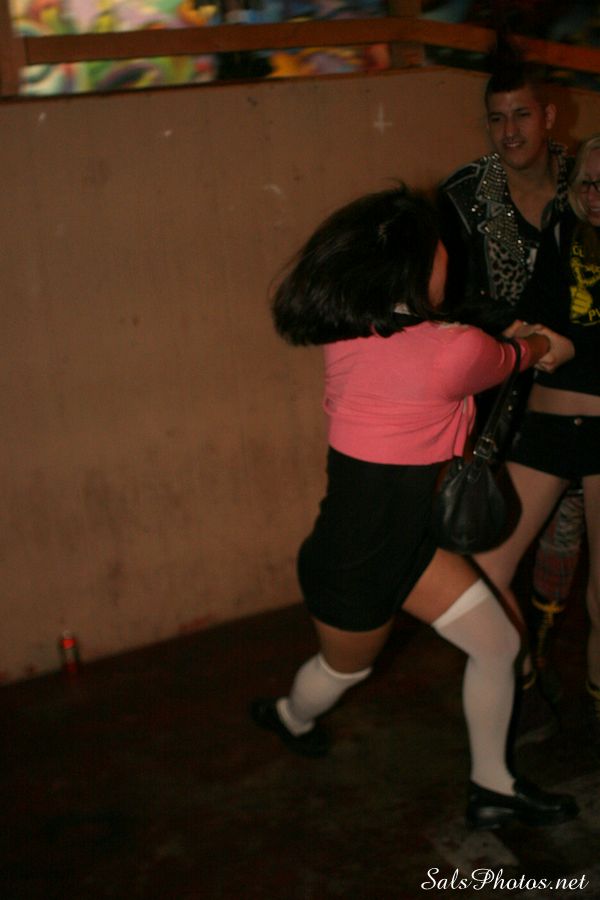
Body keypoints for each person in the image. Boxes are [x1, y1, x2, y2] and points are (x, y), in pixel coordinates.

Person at [251, 184, 578, 829]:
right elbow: (511, 357)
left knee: (496, 646)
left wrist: (498, 336)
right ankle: (289, 717)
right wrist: (546, 346)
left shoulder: (350, 332)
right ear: (413, 265)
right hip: (357, 568)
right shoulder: (455, 349)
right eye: (439, 247)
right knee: (341, 673)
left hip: (408, 546)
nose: (448, 255)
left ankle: (493, 787)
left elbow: (435, 350)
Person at [439, 50, 585, 719]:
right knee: (494, 548)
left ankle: (548, 656)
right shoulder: (466, 194)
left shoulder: (587, 179)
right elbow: (448, 298)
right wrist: (512, 332)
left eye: (521, 115)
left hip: (585, 388)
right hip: (504, 402)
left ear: (548, 115)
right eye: (496, 119)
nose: (509, 132)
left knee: (569, 539)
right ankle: (520, 668)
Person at [474, 134, 600, 751]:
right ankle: (524, 690)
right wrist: (514, 330)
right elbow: (535, 308)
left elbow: (572, 337)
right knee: (485, 572)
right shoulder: (562, 232)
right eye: (587, 184)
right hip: (547, 427)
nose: (596, 196)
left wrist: (572, 347)